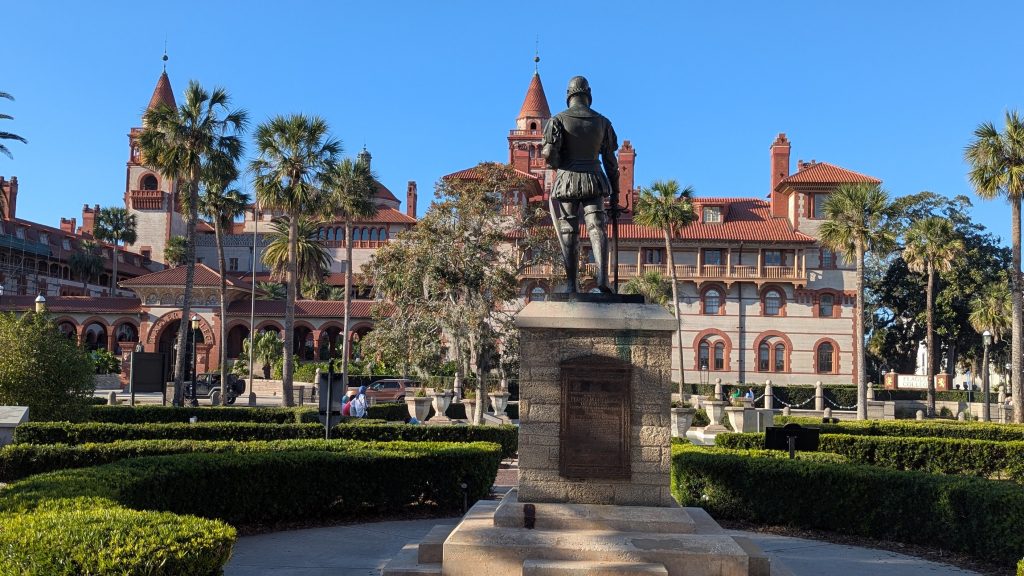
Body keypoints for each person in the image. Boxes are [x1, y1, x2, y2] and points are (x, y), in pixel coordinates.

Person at [541, 75, 620, 293]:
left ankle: (570, 284)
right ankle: (603, 279)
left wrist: (553, 159)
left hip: (567, 180)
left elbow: (549, 155)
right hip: (594, 178)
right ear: (589, 94)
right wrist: (616, 193)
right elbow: (611, 163)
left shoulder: (556, 120)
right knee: (597, 226)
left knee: (569, 230)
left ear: (569, 95)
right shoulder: (603, 122)